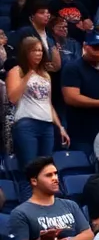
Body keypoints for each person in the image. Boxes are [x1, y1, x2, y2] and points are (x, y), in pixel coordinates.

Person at [11, 158, 93, 240]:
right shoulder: (20, 213)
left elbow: (88, 235)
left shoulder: (70, 205)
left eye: (55, 174)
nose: (55, 178)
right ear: (34, 181)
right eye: (49, 175)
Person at [7, 37, 68, 170]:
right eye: (34, 50)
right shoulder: (16, 71)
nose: (39, 53)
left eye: (40, 50)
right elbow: (12, 98)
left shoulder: (46, 75)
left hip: (47, 125)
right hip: (27, 124)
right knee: (29, 170)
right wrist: (28, 75)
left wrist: (60, 127)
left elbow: (48, 103)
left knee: (45, 170)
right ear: (25, 52)